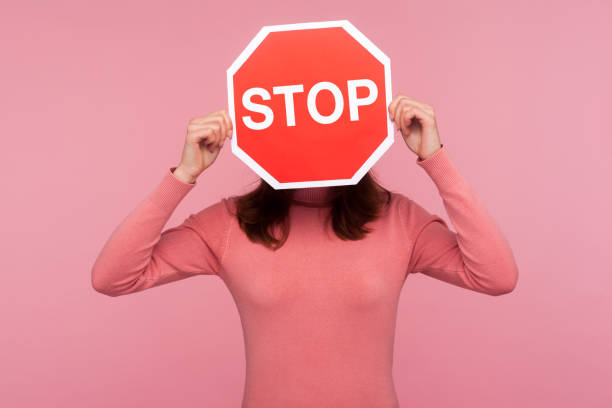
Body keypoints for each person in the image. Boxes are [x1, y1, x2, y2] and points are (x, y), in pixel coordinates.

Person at [91, 94, 519, 407]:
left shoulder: (398, 220)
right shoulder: (229, 224)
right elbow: (113, 277)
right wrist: (183, 175)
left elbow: (496, 276)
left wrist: (435, 159)